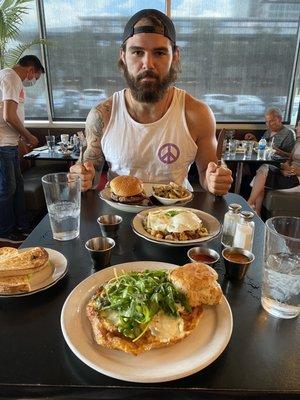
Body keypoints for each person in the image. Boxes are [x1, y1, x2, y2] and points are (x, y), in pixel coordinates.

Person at [69, 9, 232, 195]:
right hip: (120, 213)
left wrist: (215, 180)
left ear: (175, 56)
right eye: (137, 52)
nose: (148, 64)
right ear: (123, 55)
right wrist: (83, 177)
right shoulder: (102, 115)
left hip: (176, 216)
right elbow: (93, 171)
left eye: (160, 53)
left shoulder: (197, 114)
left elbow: (207, 171)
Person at [0, 55, 45, 243]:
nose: (33, 81)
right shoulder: (10, 77)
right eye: (35, 77)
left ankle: (21, 225)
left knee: (17, 187)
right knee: (7, 188)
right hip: (2, 145)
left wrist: (19, 142)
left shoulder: (12, 79)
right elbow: (8, 116)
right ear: (31, 70)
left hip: (9, 143)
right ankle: (6, 231)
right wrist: (29, 136)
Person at [247, 120, 300, 215]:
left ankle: (249, 204)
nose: (296, 128)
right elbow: (289, 159)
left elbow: (292, 167)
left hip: (297, 179)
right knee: (262, 171)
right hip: (289, 174)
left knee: (263, 172)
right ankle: (256, 212)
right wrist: (284, 168)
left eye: (299, 126)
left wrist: (290, 170)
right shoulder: (298, 142)